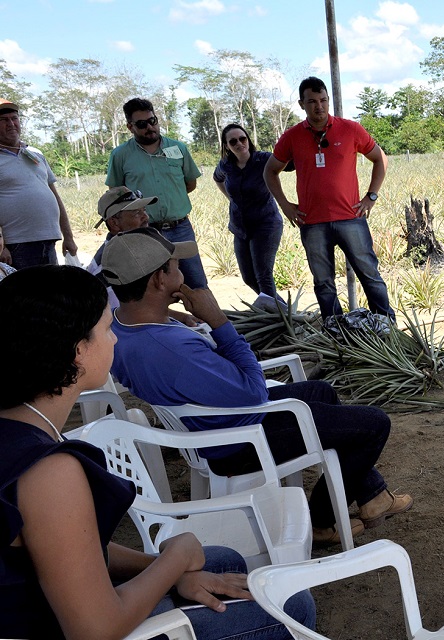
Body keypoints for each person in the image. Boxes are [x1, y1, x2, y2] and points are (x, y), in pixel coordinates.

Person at [0, 264, 315, 639]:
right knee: (293, 607)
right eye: (105, 329)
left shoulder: (17, 429)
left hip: (37, 604)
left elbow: (64, 548)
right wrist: (175, 559)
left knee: (220, 561)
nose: (115, 339)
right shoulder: (49, 473)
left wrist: (164, 566)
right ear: (78, 352)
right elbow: (95, 630)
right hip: (56, 624)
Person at [101, 227, 412, 545]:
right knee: (374, 425)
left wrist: (176, 316)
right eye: (174, 265)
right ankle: (321, 520)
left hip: (210, 422)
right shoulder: (168, 348)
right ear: (158, 279)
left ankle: (373, 495)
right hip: (238, 440)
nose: (181, 268)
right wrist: (219, 321)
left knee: (321, 392)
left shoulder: (120, 326)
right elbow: (254, 392)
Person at [264, 77, 393, 321]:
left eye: (323, 100)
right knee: (323, 282)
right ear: (302, 104)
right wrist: (285, 205)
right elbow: (270, 171)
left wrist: (371, 196)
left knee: (369, 275)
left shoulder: (351, 129)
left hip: (351, 218)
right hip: (312, 222)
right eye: (312, 101)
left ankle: (386, 325)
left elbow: (380, 159)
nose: (319, 107)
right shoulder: (292, 137)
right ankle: (335, 331)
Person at [106, 97, 208, 289]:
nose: (150, 127)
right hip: (143, 232)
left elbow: (190, 183)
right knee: (150, 288)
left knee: (197, 284)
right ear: (130, 127)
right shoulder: (120, 155)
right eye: (142, 124)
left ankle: (206, 320)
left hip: (181, 229)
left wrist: (171, 199)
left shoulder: (178, 148)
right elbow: (116, 194)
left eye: (152, 121)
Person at [88, 186, 198, 327]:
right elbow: (128, 316)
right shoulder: (112, 266)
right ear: (114, 223)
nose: (145, 217)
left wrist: (182, 317)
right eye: (136, 213)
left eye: (144, 211)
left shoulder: (129, 251)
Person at [0, 99, 78, 268]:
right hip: (15, 245)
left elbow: (54, 196)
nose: (11, 124)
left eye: (14, 118)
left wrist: (69, 236)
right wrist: (1, 246)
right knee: (24, 293)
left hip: (48, 240)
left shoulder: (35, 153)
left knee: (50, 292)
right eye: (3, 120)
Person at [213, 123, 284, 298]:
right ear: (227, 146)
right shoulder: (226, 165)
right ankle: (283, 312)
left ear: (248, 139)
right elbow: (217, 178)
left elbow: (286, 165)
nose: (239, 143)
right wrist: (231, 199)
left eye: (242, 138)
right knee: (248, 277)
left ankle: (279, 321)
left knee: (263, 277)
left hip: (266, 225)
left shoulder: (264, 159)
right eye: (233, 141)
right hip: (240, 228)